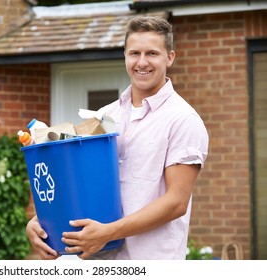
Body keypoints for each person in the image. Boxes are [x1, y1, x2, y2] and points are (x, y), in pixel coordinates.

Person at [25, 15, 209, 260]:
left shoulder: (183, 119)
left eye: (152, 53)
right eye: (134, 53)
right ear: (125, 55)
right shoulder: (103, 116)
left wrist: (108, 232)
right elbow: (77, 184)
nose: (142, 62)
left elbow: (176, 202)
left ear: (170, 57)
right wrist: (40, 222)